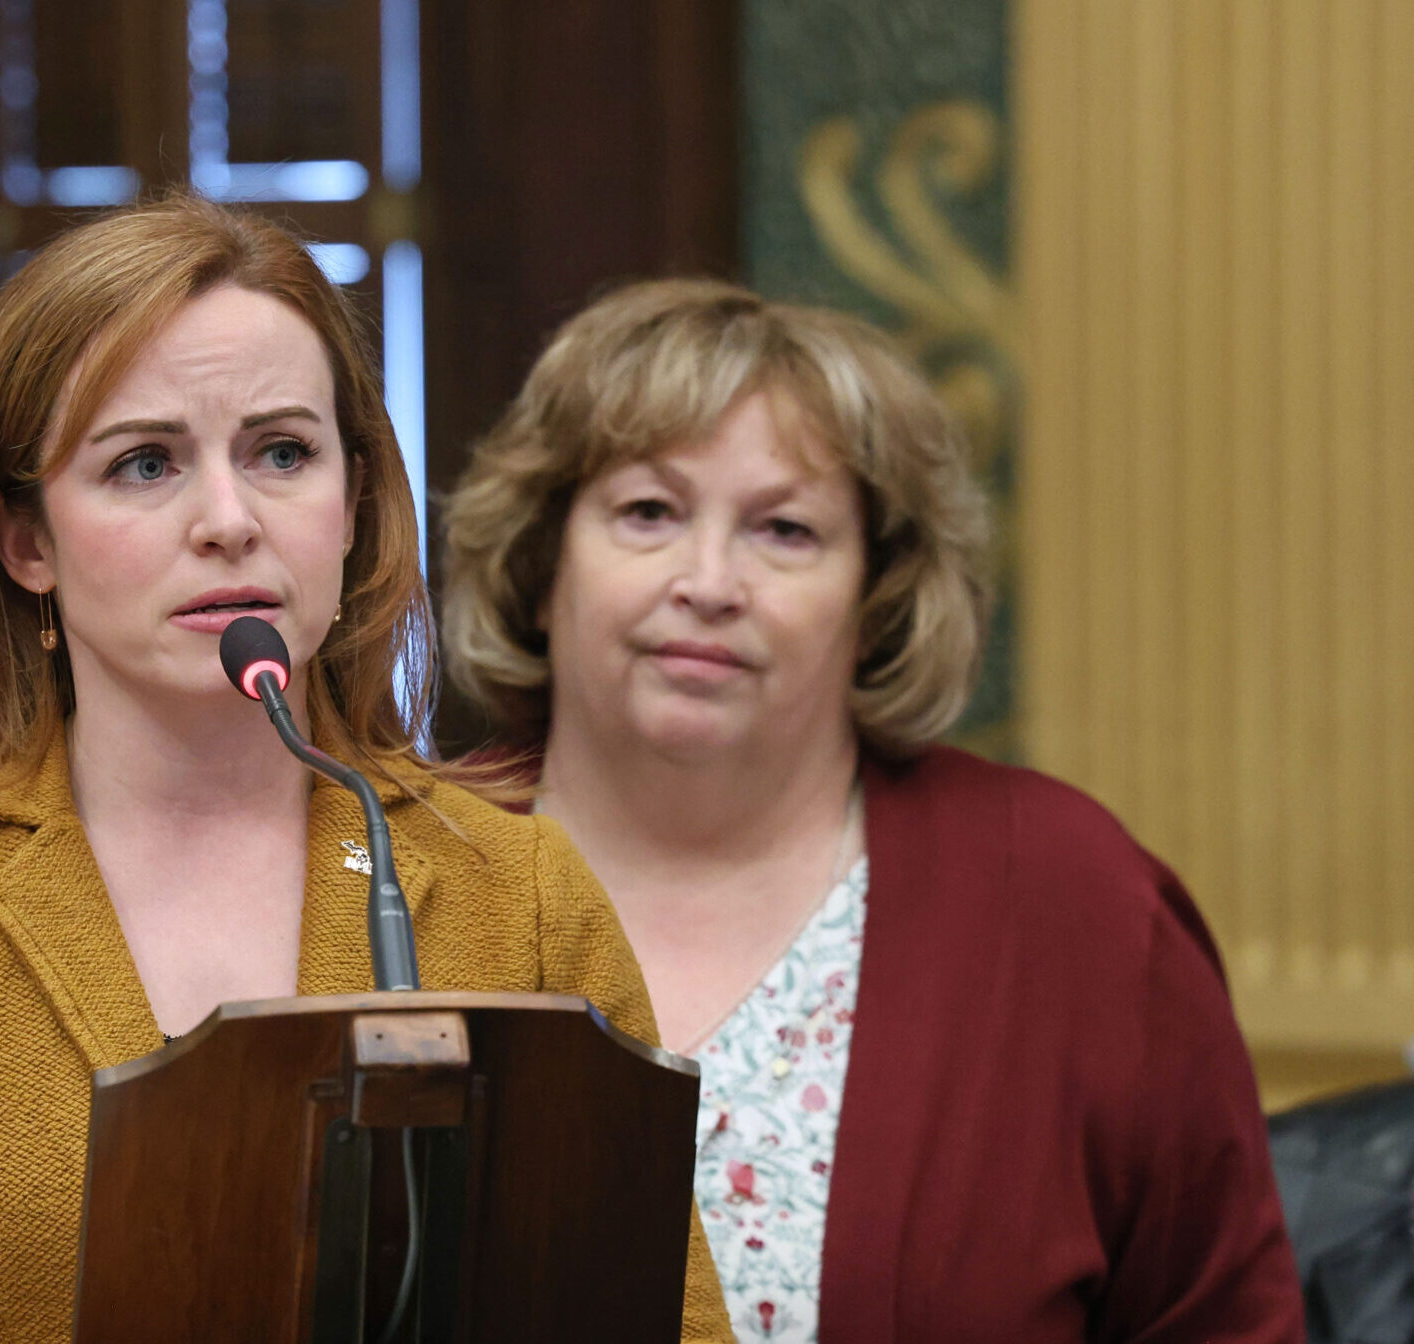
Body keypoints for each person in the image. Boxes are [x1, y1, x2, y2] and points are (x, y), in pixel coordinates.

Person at [0, 196, 735, 1342]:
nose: (230, 520)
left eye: (281, 453)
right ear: (24, 542)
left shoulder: (520, 888)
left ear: (352, 504)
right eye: (145, 465)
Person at [438, 276, 1305, 1342]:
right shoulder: (391, 874)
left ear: (875, 597)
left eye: (785, 531)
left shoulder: (1075, 904)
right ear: (542, 560)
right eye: (648, 512)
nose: (708, 581)